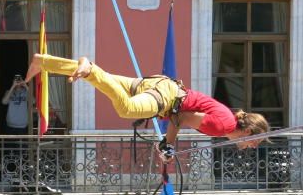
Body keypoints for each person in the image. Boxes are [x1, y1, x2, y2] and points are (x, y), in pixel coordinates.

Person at [24, 54, 270, 159]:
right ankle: (89, 67)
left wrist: (166, 147)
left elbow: (181, 117)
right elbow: (181, 117)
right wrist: (168, 146)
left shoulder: (225, 119)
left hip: (161, 87)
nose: (250, 148)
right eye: (254, 143)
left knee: (108, 80)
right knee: (126, 109)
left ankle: (43, 61)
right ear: (248, 132)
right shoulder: (223, 125)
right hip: (166, 96)